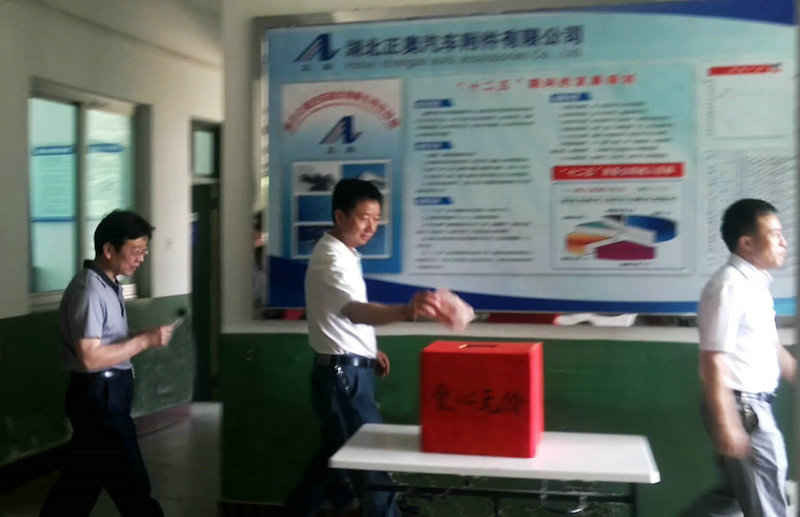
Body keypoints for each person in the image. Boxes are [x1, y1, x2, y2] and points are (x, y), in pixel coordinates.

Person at [283, 179, 440, 517]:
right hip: (343, 376)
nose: (371, 226)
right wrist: (406, 311)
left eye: (376, 218)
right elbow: (355, 311)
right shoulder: (331, 259)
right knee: (370, 459)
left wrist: (369, 351)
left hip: (347, 370)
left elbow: (343, 316)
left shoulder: (347, 254)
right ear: (340, 216)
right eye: (364, 217)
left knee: (333, 458)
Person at [40, 210, 176, 517]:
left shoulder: (110, 284)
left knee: (80, 482)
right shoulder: (89, 290)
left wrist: (140, 335)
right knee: (133, 486)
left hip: (108, 393)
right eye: (135, 250)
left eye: (145, 251)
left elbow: (106, 341)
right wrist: (144, 342)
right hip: (99, 397)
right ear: (109, 249)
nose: (141, 258)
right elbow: (90, 357)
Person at [683, 199, 795, 517]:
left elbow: (772, 348)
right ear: (747, 243)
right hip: (743, 409)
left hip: (752, 406)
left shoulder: (755, 285)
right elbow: (713, 359)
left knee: (733, 498)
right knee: (767, 502)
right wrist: (727, 423)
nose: (784, 242)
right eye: (775, 234)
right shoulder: (729, 286)